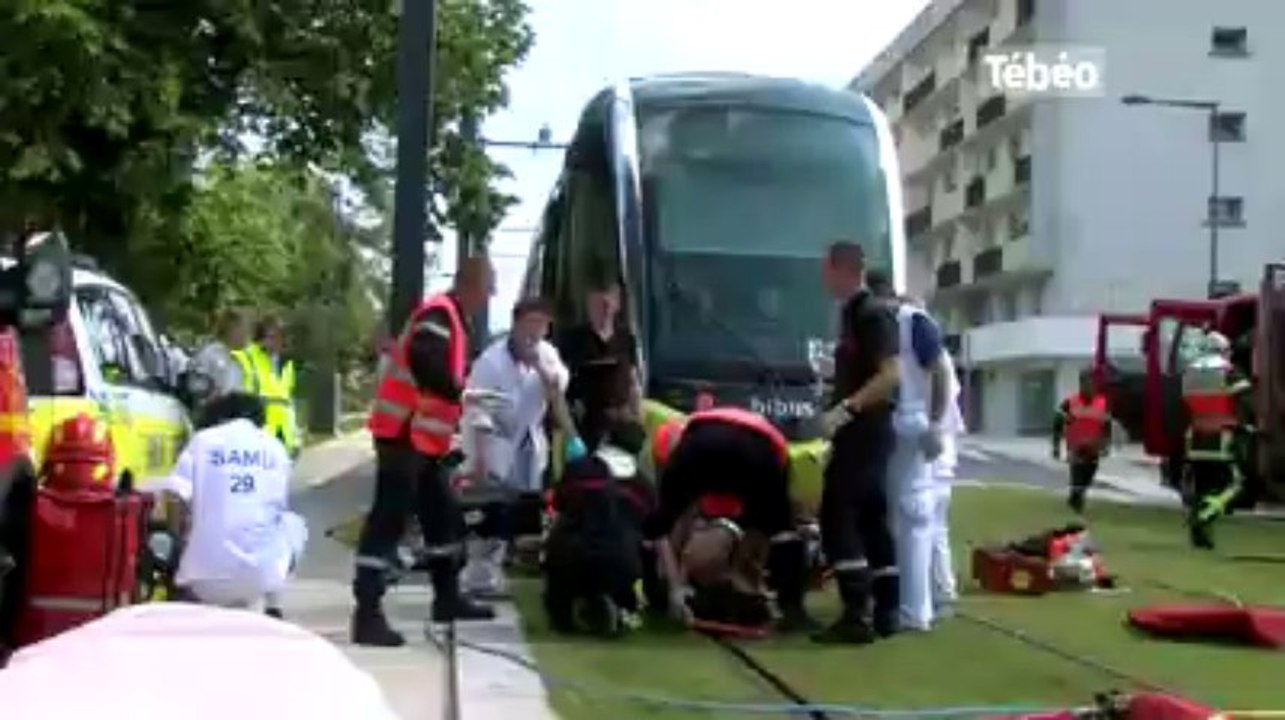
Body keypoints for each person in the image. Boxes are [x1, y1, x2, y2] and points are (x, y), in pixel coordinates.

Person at [352, 257, 497, 647]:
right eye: (488, 288)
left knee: (442, 517)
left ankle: (447, 599)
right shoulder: (439, 314)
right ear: (470, 285)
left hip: (423, 439)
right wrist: (459, 391)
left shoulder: (453, 318)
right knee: (389, 519)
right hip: (403, 431)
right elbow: (425, 359)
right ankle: (367, 614)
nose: (490, 296)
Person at [646, 406, 817, 633]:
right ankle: (788, 606)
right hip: (760, 449)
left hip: (702, 448)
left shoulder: (683, 448)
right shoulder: (702, 432)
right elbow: (761, 529)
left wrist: (675, 587)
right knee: (779, 529)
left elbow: (666, 528)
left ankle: (672, 594)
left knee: (662, 523)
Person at [457, 297, 581, 597]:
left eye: (542, 325)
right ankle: (481, 577)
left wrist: (539, 366)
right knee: (494, 509)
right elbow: (476, 409)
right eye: (530, 323)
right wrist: (481, 459)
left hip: (528, 442)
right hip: (492, 442)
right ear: (516, 324)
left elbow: (557, 389)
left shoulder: (547, 354)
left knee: (525, 508)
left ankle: (515, 564)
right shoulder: (491, 361)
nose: (535, 331)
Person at [811, 241, 901, 644]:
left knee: (837, 513)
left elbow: (890, 374)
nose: (823, 278)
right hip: (866, 432)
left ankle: (856, 611)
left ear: (842, 269)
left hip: (865, 431)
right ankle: (887, 609)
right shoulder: (853, 315)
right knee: (870, 517)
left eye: (826, 269)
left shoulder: (870, 313)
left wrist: (846, 408)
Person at [161, 393, 306, 619]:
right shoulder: (275, 447)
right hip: (260, 578)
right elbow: (278, 507)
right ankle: (273, 604)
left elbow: (174, 495)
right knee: (293, 524)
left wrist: (178, 539)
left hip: (203, 580)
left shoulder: (202, 441)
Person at [867, 272, 954, 632]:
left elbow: (941, 371)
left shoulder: (910, 322)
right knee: (902, 516)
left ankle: (914, 609)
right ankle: (910, 604)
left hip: (907, 420)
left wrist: (935, 422)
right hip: (898, 422)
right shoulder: (902, 321)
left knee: (912, 515)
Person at [1181, 331, 1254, 550]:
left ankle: (1200, 536)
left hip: (1196, 438)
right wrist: (1246, 425)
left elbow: (1185, 405)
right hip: (1221, 437)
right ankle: (1205, 514)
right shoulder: (1228, 371)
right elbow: (1245, 399)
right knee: (1235, 484)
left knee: (1202, 487)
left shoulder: (1190, 372)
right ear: (1223, 350)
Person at [556, 279, 643, 450]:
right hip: (588, 426)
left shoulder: (627, 338)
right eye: (600, 303)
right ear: (589, 304)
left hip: (623, 426)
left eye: (610, 302)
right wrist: (571, 434)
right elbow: (558, 391)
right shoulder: (573, 340)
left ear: (617, 305)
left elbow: (634, 382)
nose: (605, 308)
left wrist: (637, 417)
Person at [233, 317, 301, 457]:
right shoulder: (246, 358)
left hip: (283, 436)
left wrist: (295, 439)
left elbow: (288, 402)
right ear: (260, 338)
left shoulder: (286, 364)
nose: (276, 341)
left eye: (280, 337)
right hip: (257, 435)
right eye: (271, 337)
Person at [1052, 370, 1118, 513]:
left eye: (1093, 383)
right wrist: (1056, 446)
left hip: (1094, 448)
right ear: (1081, 384)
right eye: (1088, 383)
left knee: (1088, 478)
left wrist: (1106, 444)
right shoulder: (1070, 403)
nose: (1091, 386)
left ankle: (1075, 499)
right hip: (1076, 448)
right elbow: (1057, 422)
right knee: (1077, 477)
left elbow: (1107, 425)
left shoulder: (1102, 403)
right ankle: (1076, 505)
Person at [189, 309, 251, 409]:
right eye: (243, 331)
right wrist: (212, 397)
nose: (246, 336)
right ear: (232, 330)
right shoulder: (211, 354)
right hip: (216, 414)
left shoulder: (234, 358)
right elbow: (197, 387)